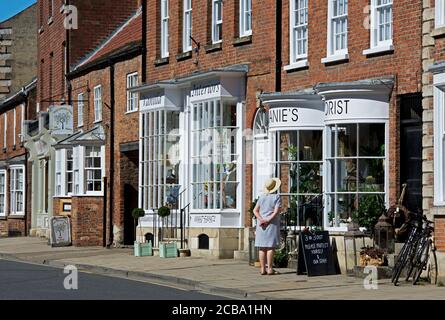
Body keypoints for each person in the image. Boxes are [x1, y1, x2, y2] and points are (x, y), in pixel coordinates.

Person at [253, 178, 282, 275]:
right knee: (270, 247)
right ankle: (269, 269)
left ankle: (262, 269)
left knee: (262, 247)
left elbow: (255, 210)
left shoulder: (262, 197)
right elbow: (276, 211)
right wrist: (268, 220)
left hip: (261, 225)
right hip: (271, 224)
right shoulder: (276, 197)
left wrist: (261, 219)